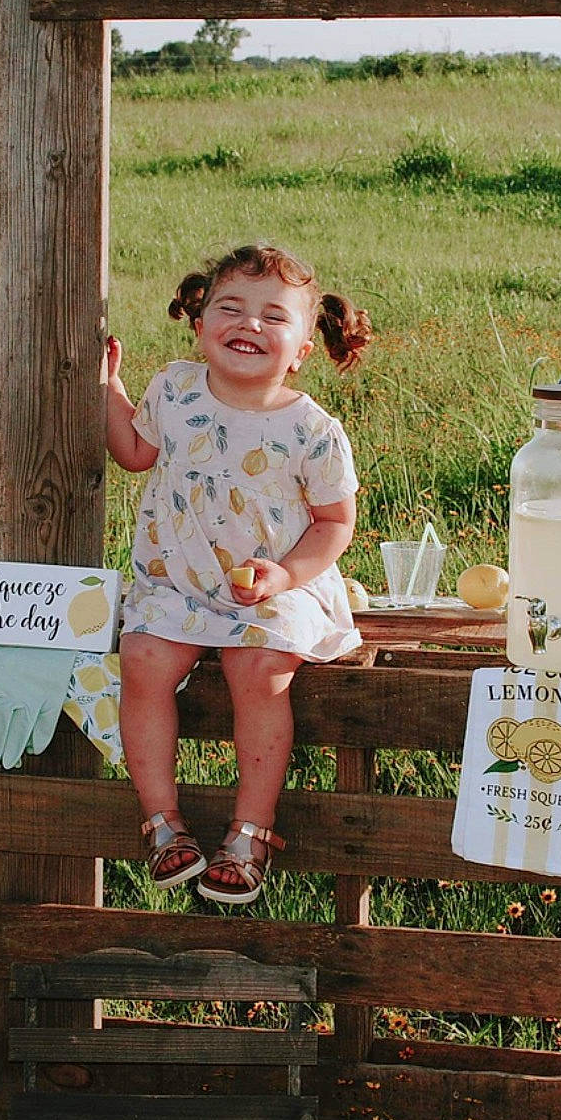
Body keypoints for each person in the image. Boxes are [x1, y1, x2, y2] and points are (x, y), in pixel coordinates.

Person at [104, 244, 374, 907]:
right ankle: (163, 821)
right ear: (199, 324)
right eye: (231, 307)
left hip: (271, 590)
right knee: (140, 659)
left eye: (272, 316)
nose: (249, 324)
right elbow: (135, 453)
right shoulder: (173, 388)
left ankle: (251, 830)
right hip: (177, 584)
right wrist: (106, 388)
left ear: (303, 348)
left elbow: (335, 523)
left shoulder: (312, 430)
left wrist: (284, 576)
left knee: (259, 671)